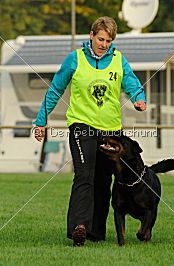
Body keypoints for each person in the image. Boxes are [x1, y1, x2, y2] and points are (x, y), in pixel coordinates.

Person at [33, 16, 147, 246]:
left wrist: (139, 98)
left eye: (109, 40)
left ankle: (95, 232)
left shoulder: (118, 60)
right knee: (84, 175)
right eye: (101, 39)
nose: (104, 44)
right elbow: (55, 89)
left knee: (104, 181)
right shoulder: (74, 59)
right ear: (92, 36)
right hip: (81, 126)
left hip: (111, 129)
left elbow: (132, 83)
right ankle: (79, 227)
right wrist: (40, 121)